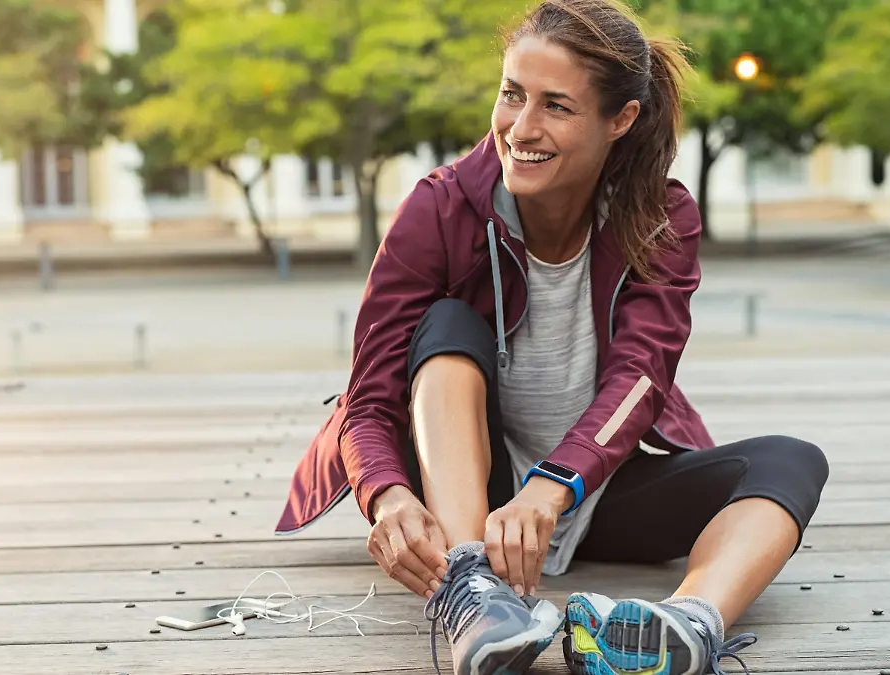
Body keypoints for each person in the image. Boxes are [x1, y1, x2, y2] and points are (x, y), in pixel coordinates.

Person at [275, 1, 830, 673]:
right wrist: (387, 495)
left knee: (791, 461)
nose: (522, 128)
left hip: (595, 487)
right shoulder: (440, 206)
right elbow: (367, 400)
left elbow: (642, 379)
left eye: (556, 107)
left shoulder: (661, 217)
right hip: (475, 494)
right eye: (512, 95)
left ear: (618, 121)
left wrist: (555, 484)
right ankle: (472, 585)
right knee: (446, 325)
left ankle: (688, 626)